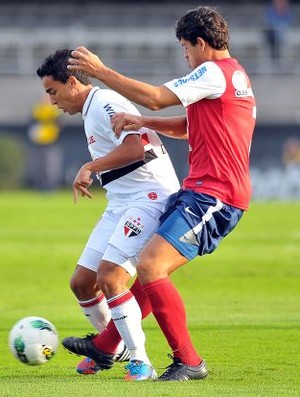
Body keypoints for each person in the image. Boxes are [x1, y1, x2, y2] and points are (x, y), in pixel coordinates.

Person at [67, 5, 256, 381]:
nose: (185, 57)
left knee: (152, 267)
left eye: (185, 48)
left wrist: (100, 72)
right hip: (202, 191)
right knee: (150, 270)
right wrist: (145, 121)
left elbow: (155, 96)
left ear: (200, 43)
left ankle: (189, 361)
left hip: (216, 195)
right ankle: (107, 345)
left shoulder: (212, 72)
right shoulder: (234, 76)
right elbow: (191, 125)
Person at [36, 49, 180, 380]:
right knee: (82, 283)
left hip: (149, 198)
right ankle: (106, 350)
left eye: (52, 92)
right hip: (121, 202)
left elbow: (136, 147)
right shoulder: (90, 111)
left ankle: (140, 361)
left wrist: (90, 166)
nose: (52, 101)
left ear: (72, 83)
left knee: (111, 278)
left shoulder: (103, 103)